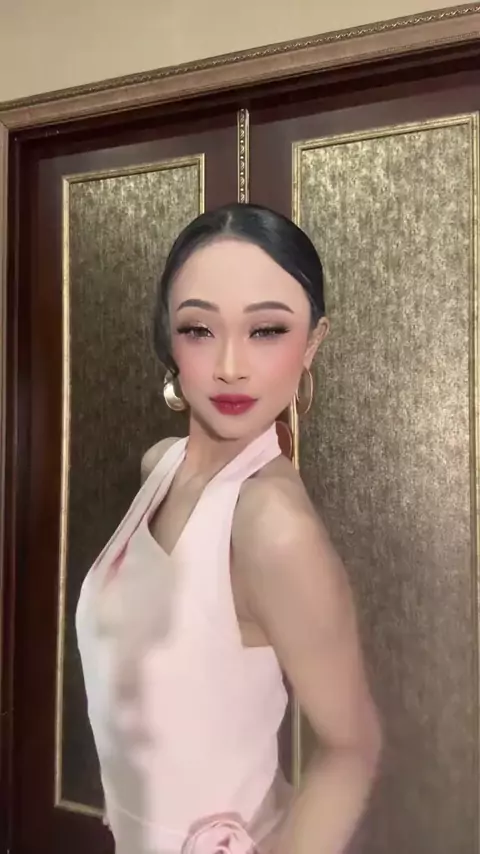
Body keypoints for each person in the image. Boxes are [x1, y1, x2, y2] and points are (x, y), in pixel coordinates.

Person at [76, 203, 382, 854]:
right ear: (169, 337)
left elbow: (353, 748)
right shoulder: (160, 466)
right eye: (199, 329)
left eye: (267, 330)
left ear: (312, 343)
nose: (231, 366)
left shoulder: (272, 526)